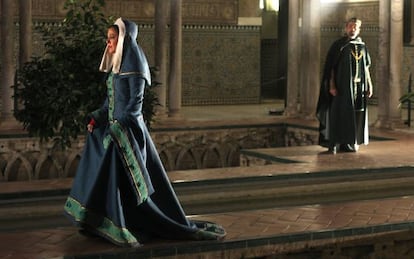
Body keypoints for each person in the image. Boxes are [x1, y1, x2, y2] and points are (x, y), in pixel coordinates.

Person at [64, 18, 226, 247]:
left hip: (129, 131)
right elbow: (108, 102)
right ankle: (95, 219)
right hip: (114, 127)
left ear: (123, 39)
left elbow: (134, 105)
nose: (108, 43)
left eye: (112, 38)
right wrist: (96, 118)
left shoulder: (135, 64)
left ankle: (125, 222)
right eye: (108, 38)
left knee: (111, 155)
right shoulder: (115, 66)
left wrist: (117, 126)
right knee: (95, 144)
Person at [316, 17, 373, 154]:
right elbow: (331, 68)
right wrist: (332, 85)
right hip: (341, 87)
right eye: (350, 26)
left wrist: (370, 85)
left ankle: (348, 142)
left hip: (358, 88)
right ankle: (333, 142)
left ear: (359, 29)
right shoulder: (338, 46)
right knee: (338, 114)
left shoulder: (362, 46)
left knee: (353, 115)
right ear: (346, 28)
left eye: (356, 27)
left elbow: (366, 67)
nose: (353, 29)